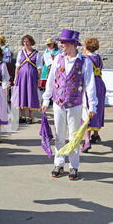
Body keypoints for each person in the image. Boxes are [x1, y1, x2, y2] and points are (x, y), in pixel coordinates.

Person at [42, 29, 97, 181]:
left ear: (72, 44)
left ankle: (74, 165)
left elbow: (90, 84)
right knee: (59, 135)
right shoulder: (58, 59)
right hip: (58, 103)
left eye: (64, 42)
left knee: (74, 136)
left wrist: (92, 105)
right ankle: (59, 163)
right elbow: (51, 80)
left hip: (75, 103)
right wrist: (46, 99)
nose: (61, 45)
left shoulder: (85, 62)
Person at [81, 37, 106, 153]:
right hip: (100, 83)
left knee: (87, 109)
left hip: (89, 84)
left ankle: (86, 140)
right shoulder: (99, 58)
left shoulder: (85, 58)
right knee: (98, 108)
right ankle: (95, 134)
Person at [12, 35, 43, 124]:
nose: (26, 43)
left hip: (32, 77)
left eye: (27, 41)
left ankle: (30, 116)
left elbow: (39, 67)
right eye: (24, 41)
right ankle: (22, 116)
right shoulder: (20, 53)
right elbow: (17, 66)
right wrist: (15, 78)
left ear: (31, 42)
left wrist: (39, 79)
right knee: (22, 95)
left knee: (30, 95)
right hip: (21, 77)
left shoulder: (37, 54)